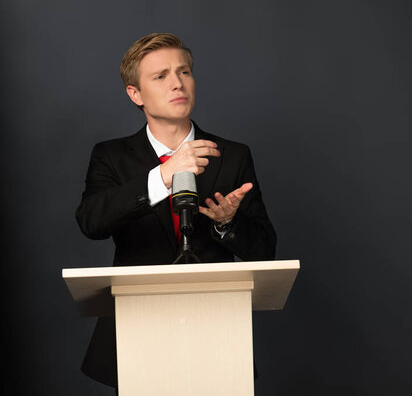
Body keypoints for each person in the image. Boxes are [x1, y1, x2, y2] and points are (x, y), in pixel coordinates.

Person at [76, 33, 276, 389]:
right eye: (161, 76)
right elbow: (91, 220)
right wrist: (163, 175)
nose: (177, 83)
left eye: (183, 72)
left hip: (218, 331)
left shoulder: (232, 156)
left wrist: (228, 223)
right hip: (137, 328)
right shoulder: (111, 156)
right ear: (135, 94)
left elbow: (264, 249)